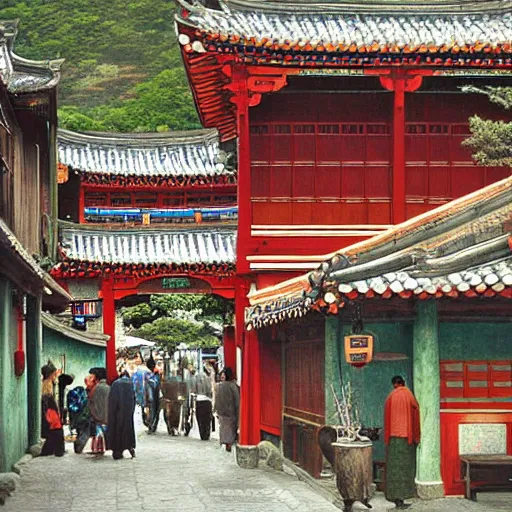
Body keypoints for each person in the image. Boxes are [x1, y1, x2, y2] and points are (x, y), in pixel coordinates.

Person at [384, 375, 421, 510]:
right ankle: (402, 498)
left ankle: (394, 497)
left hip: (393, 439)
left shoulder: (390, 397)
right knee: (405, 468)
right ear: (403, 383)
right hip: (406, 438)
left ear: (394, 384)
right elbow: (416, 411)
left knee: (394, 468)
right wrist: (417, 436)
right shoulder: (408, 394)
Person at [108, 370, 136, 460]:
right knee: (128, 430)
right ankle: (129, 447)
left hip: (116, 412)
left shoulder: (115, 384)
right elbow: (133, 399)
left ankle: (117, 451)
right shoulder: (131, 384)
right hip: (127, 412)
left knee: (117, 430)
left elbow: (112, 401)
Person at [40, 362, 65, 457]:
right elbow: (48, 399)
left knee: (54, 431)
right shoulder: (48, 384)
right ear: (51, 374)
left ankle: (51, 450)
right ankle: (57, 450)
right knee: (56, 429)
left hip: (50, 409)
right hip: (50, 410)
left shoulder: (47, 383)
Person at [214, 367, 239, 452]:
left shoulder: (219, 386)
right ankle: (229, 443)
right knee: (230, 428)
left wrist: (216, 409)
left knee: (223, 427)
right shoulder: (233, 386)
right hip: (231, 411)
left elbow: (217, 398)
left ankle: (224, 441)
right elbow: (237, 400)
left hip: (222, 411)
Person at [87, 367, 110, 454]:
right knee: (103, 435)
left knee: (97, 435)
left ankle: (96, 450)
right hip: (106, 418)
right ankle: (102, 449)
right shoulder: (109, 388)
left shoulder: (94, 389)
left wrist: (93, 414)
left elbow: (90, 403)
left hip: (97, 418)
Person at [189, 364, 213, 441]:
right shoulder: (208, 379)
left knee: (200, 419)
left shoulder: (195, 378)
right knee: (207, 419)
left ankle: (202, 434)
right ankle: (207, 434)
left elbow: (193, 390)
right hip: (207, 400)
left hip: (199, 400)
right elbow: (210, 391)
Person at [131, 353, 151, 426]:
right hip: (140, 390)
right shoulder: (137, 369)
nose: (137, 359)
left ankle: (147, 419)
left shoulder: (144, 370)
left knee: (146, 405)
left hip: (144, 390)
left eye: (138, 357)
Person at [145, 354, 161, 435]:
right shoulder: (155, 374)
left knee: (153, 411)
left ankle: (152, 426)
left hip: (153, 396)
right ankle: (152, 426)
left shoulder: (151, 374)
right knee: (154, 411)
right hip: (155, 395)